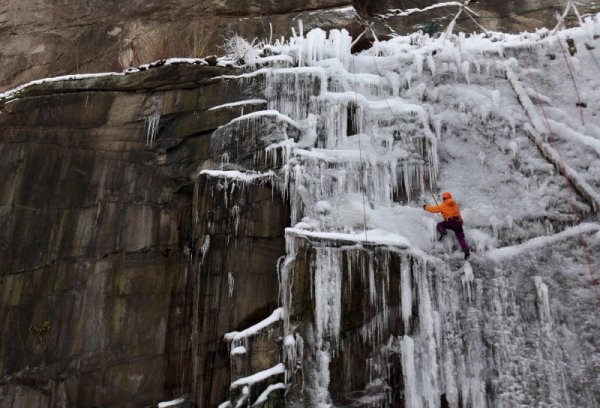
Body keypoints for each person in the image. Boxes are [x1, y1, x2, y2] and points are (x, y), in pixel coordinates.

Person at [423, 192, 471, 260]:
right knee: (460, 238)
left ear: (444, 198)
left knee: (439, 225)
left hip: (451, 222)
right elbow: (451, 211)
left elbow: (433, 209)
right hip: (459, 223)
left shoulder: (444, 204)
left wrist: (425, 207)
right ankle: (466, 251)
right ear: (450, 197)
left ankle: (443, 232)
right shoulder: (454, 204)